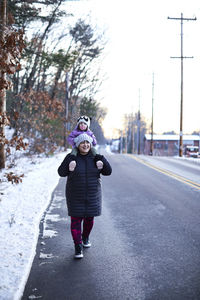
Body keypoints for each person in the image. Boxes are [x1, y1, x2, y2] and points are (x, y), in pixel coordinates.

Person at [58, 133, 112, 259]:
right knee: (76, 221)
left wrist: (102, 161)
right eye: (82, 143)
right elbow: (61, 172)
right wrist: (68, 164)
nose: (85, 145)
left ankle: (85, 237)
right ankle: (78, 246)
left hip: (92, 195)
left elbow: (108, 172)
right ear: (77, 144)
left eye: (87, 142)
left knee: (89, 220)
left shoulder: (96, 157)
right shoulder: (71, 158)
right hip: (75, 195)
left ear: (91, 144)